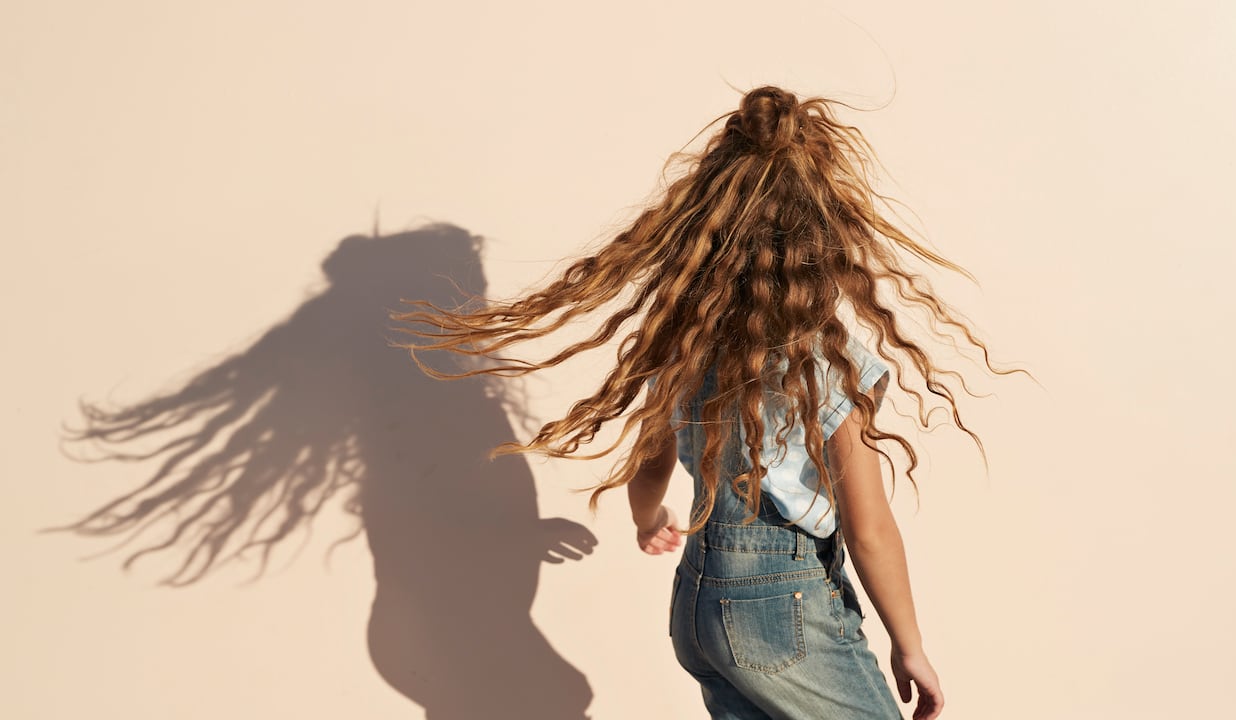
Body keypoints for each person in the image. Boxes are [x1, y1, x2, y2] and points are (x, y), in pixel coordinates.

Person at [393, 85, 1015, 719]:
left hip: (698, 604)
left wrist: (647, 519)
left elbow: (652, 458)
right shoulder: (827, 363)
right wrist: (910, 647)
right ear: (825, 235)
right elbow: (869, 526)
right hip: (781, 604)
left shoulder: (687, 343)